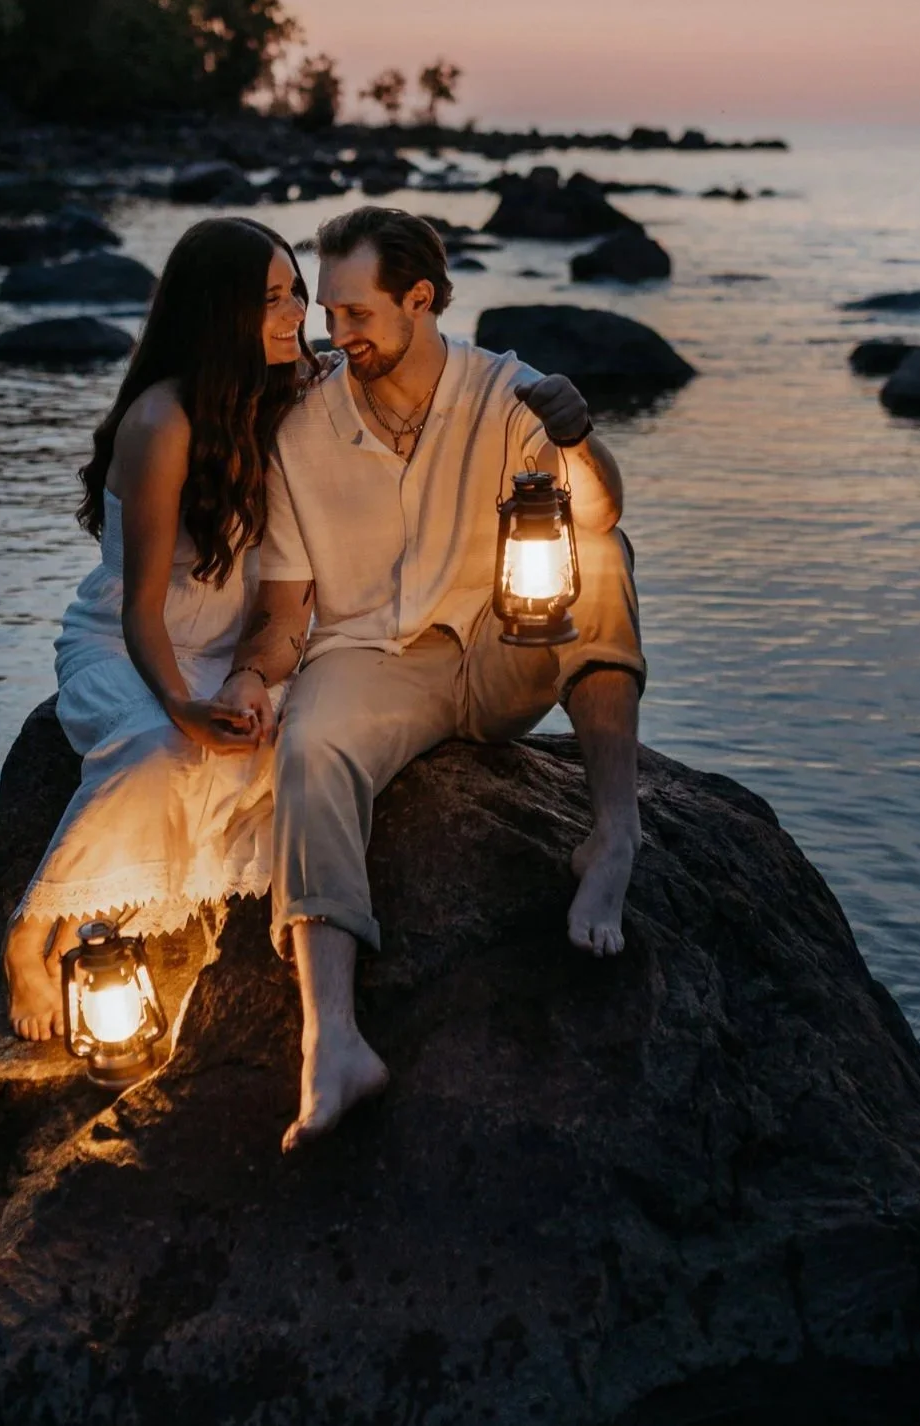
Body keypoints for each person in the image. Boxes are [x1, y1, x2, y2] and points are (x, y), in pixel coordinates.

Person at [218, 206, 646, 1151]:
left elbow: (604, 507)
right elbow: (287, 609)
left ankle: (613, 834)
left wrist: (578, 441)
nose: (337, 336)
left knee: (601, 554)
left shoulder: (509, 392)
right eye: (329, 313)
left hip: (502, 652)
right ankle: (332, 1042)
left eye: (358, 314)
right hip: (372, 665)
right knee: (311, 745)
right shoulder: (305, 429)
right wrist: (252, 673)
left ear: (421, 300)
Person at [4, 216, 315, 1041]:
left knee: (282, 746)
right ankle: (33, 933)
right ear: (218, 316)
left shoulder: (282, 395)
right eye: (271, 301)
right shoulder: (161, 423)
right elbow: (141, 607)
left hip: (230, 647)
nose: (295, 314)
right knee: (160, 752)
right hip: (124, 642)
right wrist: (178, 705)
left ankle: (103, 919)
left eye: (296, 293)